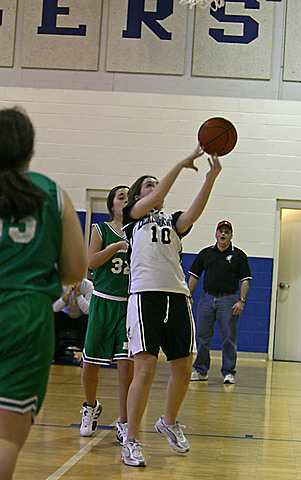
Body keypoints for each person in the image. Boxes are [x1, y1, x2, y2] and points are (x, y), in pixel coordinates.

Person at [120, 145, 222, 467]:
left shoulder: (172, 221)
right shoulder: (133, 218)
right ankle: (132, 440)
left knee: (184, 366)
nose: (155, 187)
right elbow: (161, 191)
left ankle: (168, 421)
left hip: (176, 295)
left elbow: (193, 213)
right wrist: (181, 163)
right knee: (146, 368)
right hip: (145, 296)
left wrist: (211, 177)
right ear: (138, 197)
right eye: (148, 185)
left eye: (155, 184)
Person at [0, 107, 87, 480]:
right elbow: (75, 270)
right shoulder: (53, 193)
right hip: (26, 315)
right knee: (5, 440)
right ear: (30, 151)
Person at [80, 185, 134, 446]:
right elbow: (91, 262)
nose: (125, 201)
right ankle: (90, 407)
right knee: (90, 363)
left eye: (128, 197)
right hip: (103, 302)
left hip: (129, 305)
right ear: (112, 205)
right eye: (120, 197)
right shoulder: (100, 229)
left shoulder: (140, 232)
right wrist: (117, 247)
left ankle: (124, 421)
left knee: (126, 367)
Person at [188, 220, 252, 385]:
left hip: (228, 300)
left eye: (226, 232)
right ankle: (201, 371)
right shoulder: (205, 254)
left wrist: (241, 301)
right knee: (202, 337)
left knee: (229, 338)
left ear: (231, 236)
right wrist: (188, 295)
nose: (223, 234)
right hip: (206, 299)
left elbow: (245, 280)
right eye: (220, 231)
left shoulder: (239, 256)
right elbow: (194, 275)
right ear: (215, 234)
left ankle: (229, 372)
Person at [52, 279, 93, 362]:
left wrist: (79, 294)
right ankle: (56, 354)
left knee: (89, 319)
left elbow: (88, 310)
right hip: (65, 317)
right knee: (55, 317)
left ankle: (87, 354)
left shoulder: (88, 285)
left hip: (81, 319)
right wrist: (67, 293)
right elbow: (55, 308)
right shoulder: (60, 284)